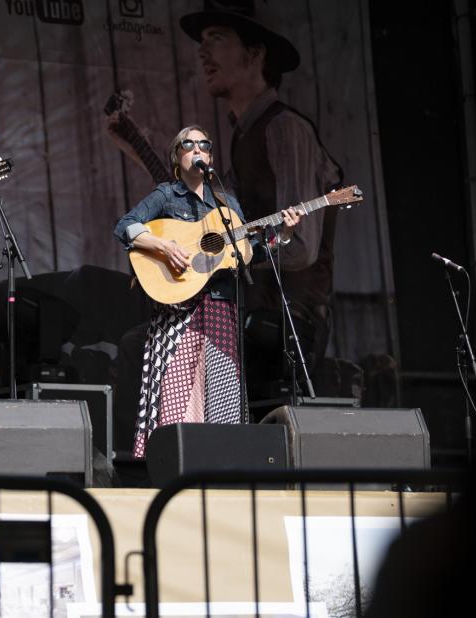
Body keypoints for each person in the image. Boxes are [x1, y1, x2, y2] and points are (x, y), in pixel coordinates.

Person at [180, 2, 344, 397]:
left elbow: (301, 249)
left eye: (216, 41)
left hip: (287, 319)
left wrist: (231, 256)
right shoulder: (241, 136)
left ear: (254, 55)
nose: (202, 53)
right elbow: (224, 219)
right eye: (202, 43)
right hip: (252, 310)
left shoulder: (285, 129)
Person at [114, 126, 300, 458]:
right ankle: (174, 461)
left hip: (220, 307)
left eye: (204, 145)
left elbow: (248, 253)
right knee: (177, 394)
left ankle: (223, 463)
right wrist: (164, 245)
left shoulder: (228, 206)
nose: (198, 149)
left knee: (224, 393)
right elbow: (126, 225)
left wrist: (282, 234)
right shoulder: (167, 196)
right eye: (189, 144)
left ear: (210, 157)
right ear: (177, 155)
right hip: (179, 311)